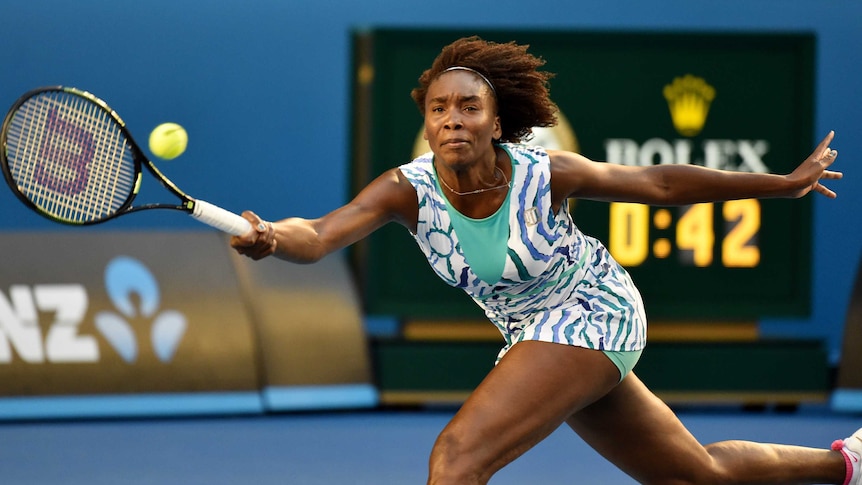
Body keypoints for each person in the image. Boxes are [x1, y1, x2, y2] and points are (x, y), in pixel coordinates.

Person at [231, 36, 858, 485]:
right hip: (534, 336)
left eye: (468, 107)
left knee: (456, 458)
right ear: (425, 124)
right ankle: (847, 466)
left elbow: (660, 184)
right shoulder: (405, 189)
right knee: (697, 475)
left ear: (496, 120)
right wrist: (273, 238)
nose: (453, 120)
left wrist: (779, 183)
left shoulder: (546, 173)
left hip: (594, 311)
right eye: (439, 110)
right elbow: (317, 233)